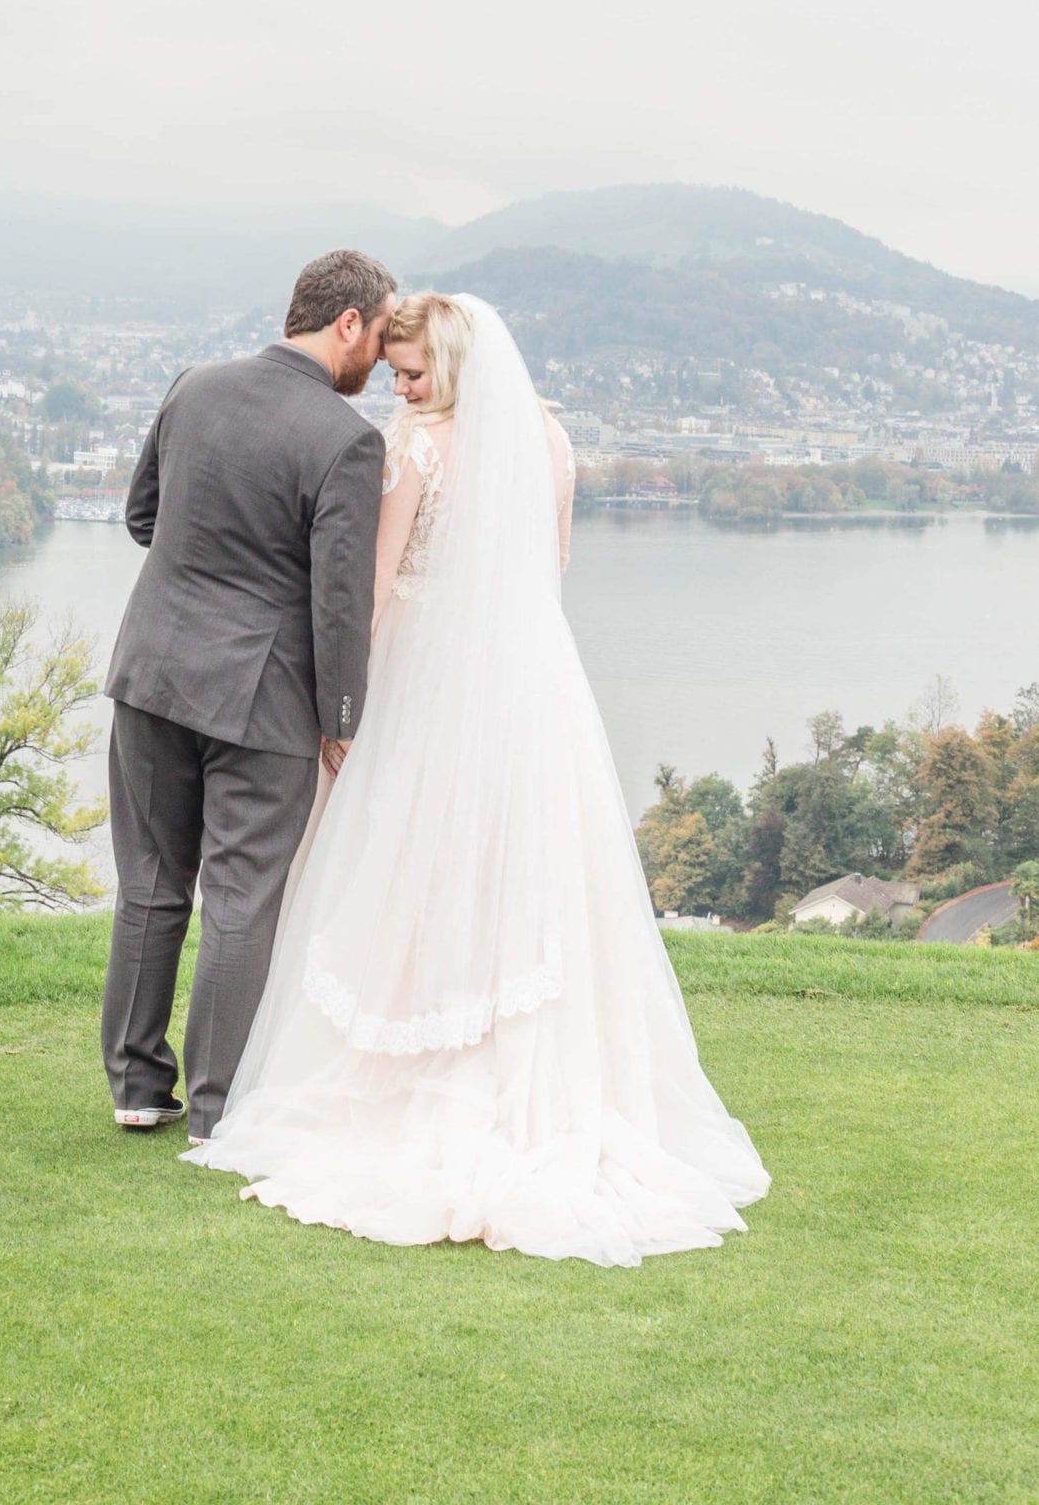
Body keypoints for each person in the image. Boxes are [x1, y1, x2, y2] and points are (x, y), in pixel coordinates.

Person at [184, 290, 770, 1265]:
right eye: (397, 371)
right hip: (530, 687)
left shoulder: (415, 447)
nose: (400, 387)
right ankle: (514, 1075)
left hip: (428, 677)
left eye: (411, 372)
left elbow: (369, 584)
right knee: (514, 872)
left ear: (451, 364)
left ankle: (401, 1079)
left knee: (400, 869)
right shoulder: (549, 442)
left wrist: (340, 709)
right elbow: (554, 564)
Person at [100, 248, 395, 1143]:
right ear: (347, 322)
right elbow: (339, 601)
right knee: (240, 896)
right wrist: (342, 720)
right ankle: (220, 1111)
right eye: (379, 340)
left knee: (149, 886)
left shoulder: (196, 385)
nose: (379, 363)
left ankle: (137, 1087)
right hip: (262, 700)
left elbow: (142, 517)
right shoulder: (347, 441)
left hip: (150, 673)